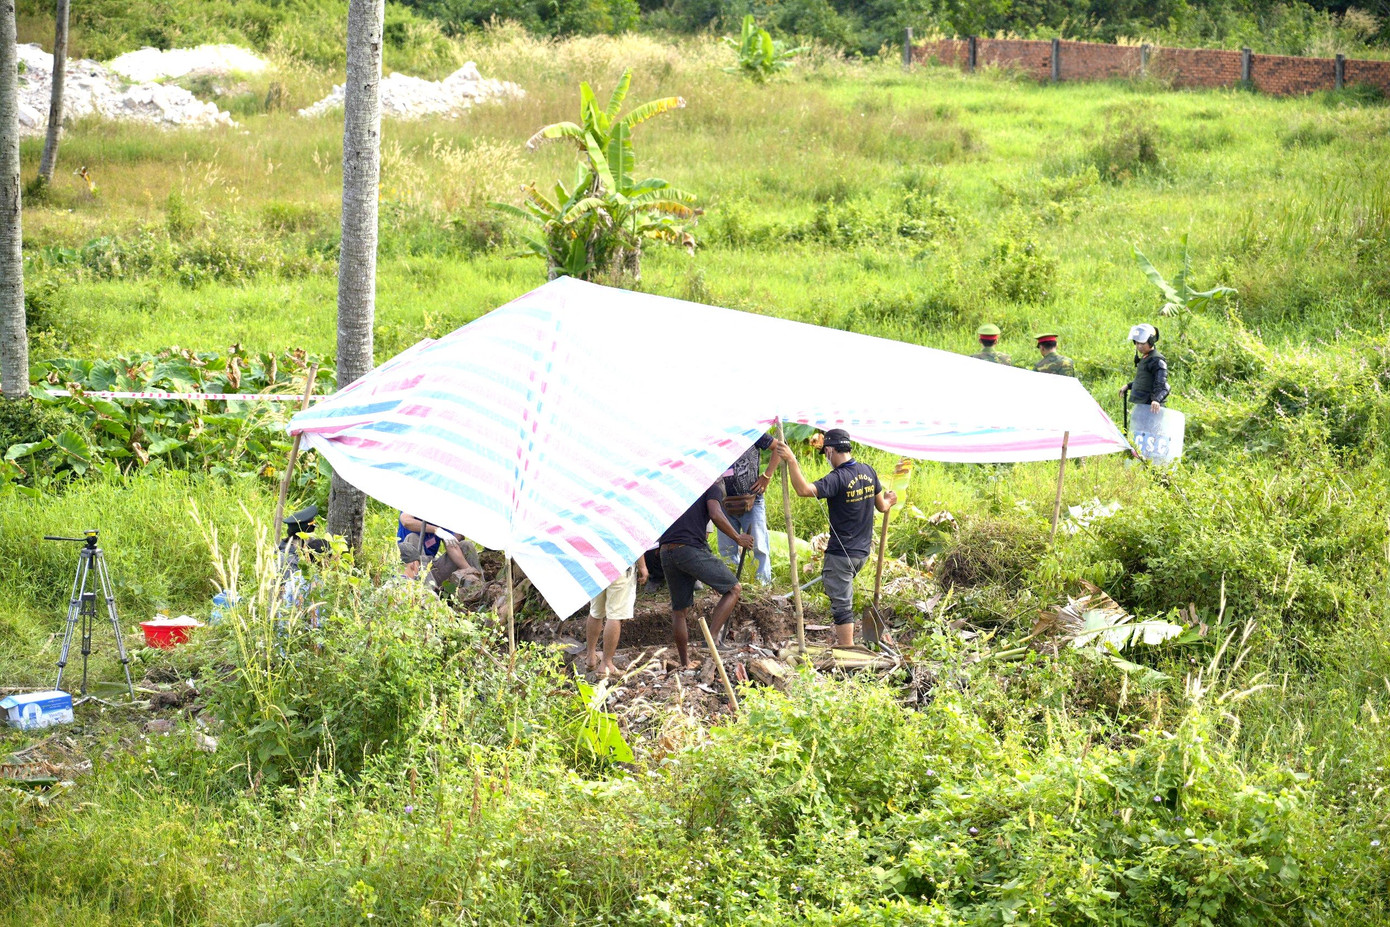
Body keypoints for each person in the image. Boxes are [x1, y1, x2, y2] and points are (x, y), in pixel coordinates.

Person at [772, 429, 897, 647]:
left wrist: (792, 460)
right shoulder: (869, 471)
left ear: (829, 450)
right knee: (843, 598)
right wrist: (890, 500)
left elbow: (803, 490)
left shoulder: (838, 478)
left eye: (826, 453)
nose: (827, 458)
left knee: (841, 605)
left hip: (841, 555)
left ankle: (847, 649)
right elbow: (883, 506)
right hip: (862, 554)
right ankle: (848, 644)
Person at [657, 478, 754, 667]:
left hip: (666, 550)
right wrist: (737, 537)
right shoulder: (710, 484)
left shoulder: (677, 484)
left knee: (679, 611)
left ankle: (685, 663)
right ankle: (712, 640)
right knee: (733, 589)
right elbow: (715, 513)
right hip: (689, 549)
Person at [716, 433, 781, 585]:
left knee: (758, 547)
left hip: (752, 499)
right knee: (727, 549)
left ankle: (761, 587)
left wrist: (767, 475)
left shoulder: (751, 431)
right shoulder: (714, 434)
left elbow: (779, 447)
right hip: (723, 502)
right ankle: (730, 587)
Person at [584, 555, 649, 677]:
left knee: (595, 612)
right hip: (621, 565)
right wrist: (642, 566)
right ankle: (606, 664)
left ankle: (590, 657)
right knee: (614, 615)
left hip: (596, 565)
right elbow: (634, 540)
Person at [398, 513, 483, 590]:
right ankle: (429, 594)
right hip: (411, 569)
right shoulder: (413, 505)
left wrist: (469, 570)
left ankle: (480, 588)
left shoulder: (440, 516)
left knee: (466, 546)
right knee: (413, 537)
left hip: (432, 567)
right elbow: (406, 521)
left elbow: (452, 544)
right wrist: (436, 530)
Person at [1120, 323, 1168, 412]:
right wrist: (1128, 385)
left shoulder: (1157, 360)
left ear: (1150, 341)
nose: (1139, 346)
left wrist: (1156, 399)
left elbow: (1162, 384)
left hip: (1153, 407)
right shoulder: (1146, 357)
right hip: (1143, 405)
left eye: (1142, 343)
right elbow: (1145, 379)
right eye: (1137, 343)